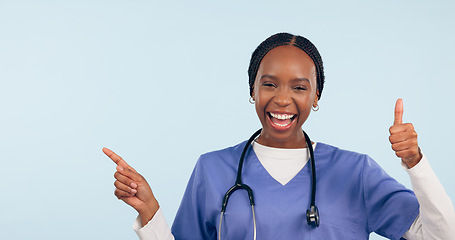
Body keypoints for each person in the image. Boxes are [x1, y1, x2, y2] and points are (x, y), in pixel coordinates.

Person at [103, 33, 455, 239]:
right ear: (252, 90)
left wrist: (416, 164)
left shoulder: (356, 173)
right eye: (269, 84)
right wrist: (150, 214)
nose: (283, 99)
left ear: (316, 97)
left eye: (299, 87)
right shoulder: (212, 170)